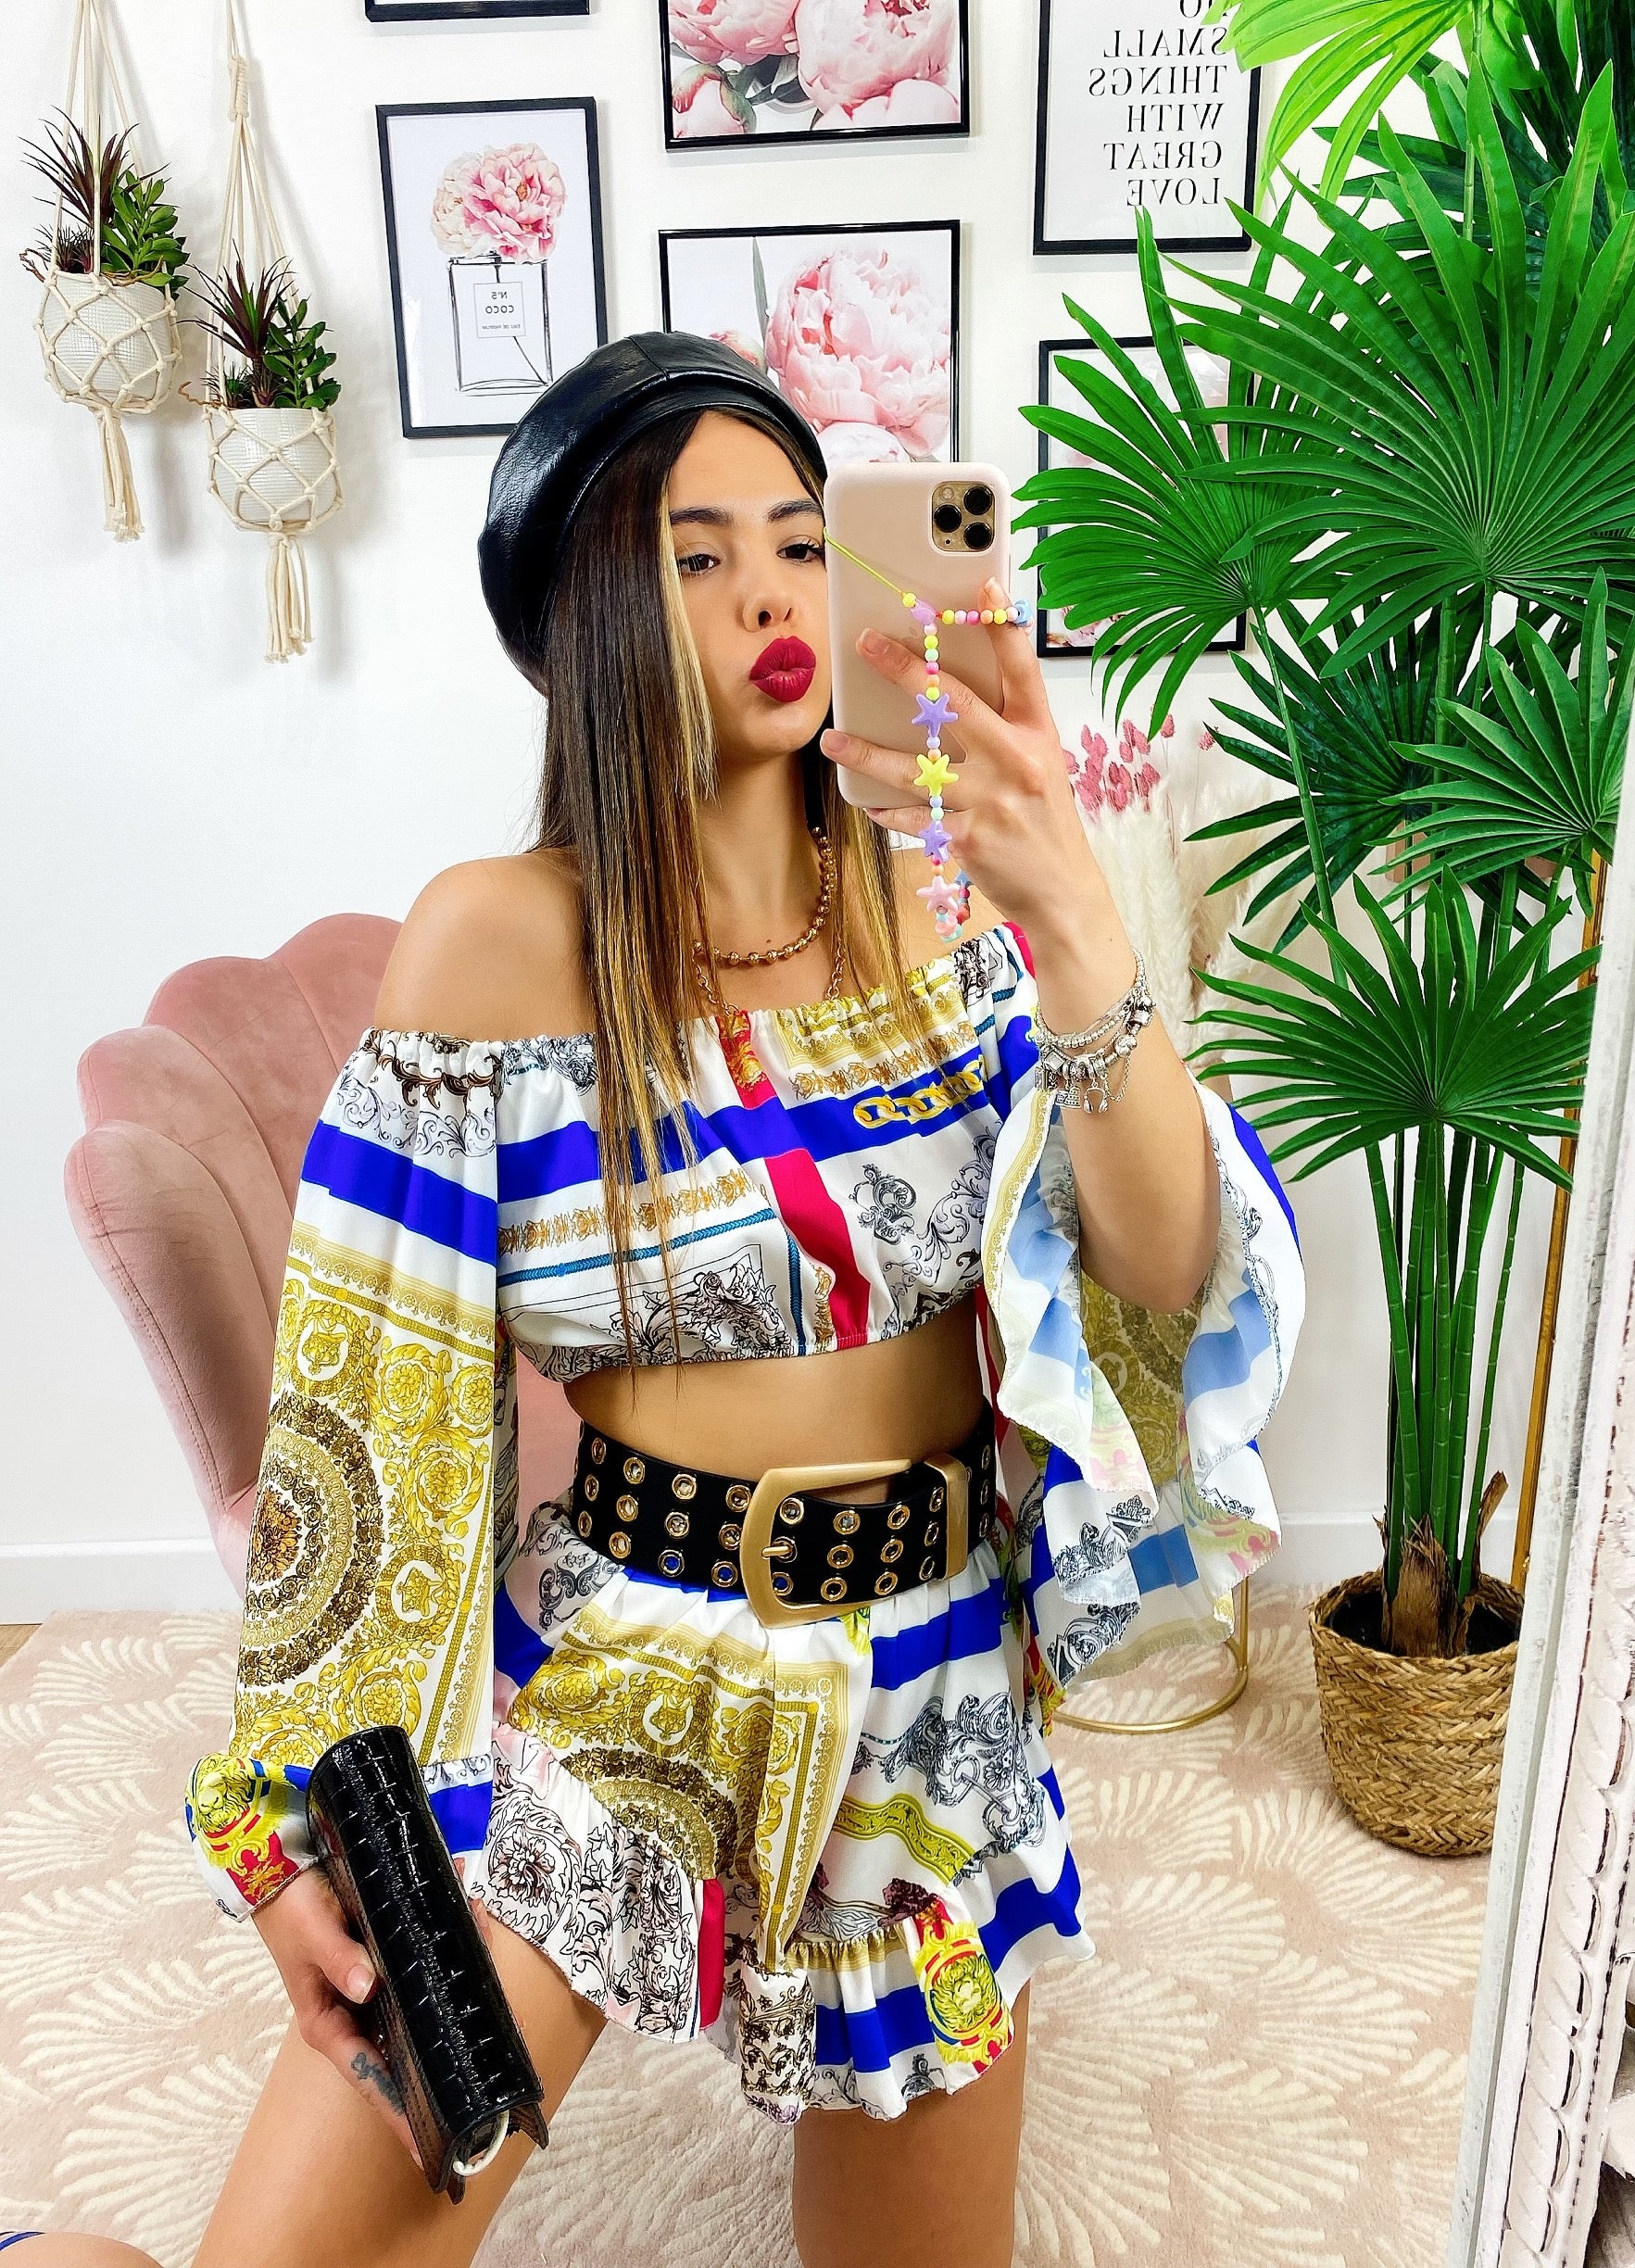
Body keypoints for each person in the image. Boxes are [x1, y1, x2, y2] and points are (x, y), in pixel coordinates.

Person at [19, 332, 1303, 2268]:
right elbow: (372, 1428)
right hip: (639, 1664)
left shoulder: (949, 909)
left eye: (801, 538)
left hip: (939, 1700)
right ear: (587, 626)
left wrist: (1075, 921)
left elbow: (1159, 1267)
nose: (774, 592)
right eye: (697, 556)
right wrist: (295, 1823)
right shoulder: (495, 944)